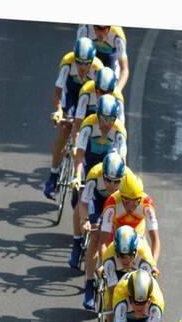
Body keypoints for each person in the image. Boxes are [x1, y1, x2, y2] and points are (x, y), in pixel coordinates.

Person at [68, 95, 127, 268]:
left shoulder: (119, 131)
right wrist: (77, 176)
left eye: (110, 119)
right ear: (97, 114)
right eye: (103, 118)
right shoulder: (88, 125)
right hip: (90, 165)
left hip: (109, 169)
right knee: (81, 199)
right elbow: (79, 155)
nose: (106, 123)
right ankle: (77, 243)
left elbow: (122, 162)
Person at [43, 37, 103, 200]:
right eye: (80, 62)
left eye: (86, 63)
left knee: (88, 133)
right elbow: (58, 91)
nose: (83, 67)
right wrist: (58, 111)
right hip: (71, 94)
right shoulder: (67, 63)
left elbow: (102, 100)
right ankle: (53, 177)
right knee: (64, 128)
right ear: (75, 58)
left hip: (89, 98)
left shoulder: (98, 69)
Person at [100, 225, 159, 322]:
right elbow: (113, 292)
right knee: (112, 299)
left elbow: (145, 286)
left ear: (135, 251)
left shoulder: (144, 257)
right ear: (116, 251)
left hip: (139, 273)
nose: (125, 260)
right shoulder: (109, 257)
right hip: (118, 273)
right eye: (121, 256)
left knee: (140, 297)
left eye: (129, 256)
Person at [79, 152, 125, 309]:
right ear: (102, 174)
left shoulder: (127, 180)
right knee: (97, 235)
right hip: (98, 203)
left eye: (116, 181)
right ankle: (90, 283)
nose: (111, 185)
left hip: (117, 205)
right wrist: (85, 220)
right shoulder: (94, 174)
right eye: (107, 180)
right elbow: (84, 204)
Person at [99, 169, 160, 265]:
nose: (131, 206)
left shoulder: (147, 204)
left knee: (145, 261)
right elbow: (103, 243)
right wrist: (103, 265)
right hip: (115, 232)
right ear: (121, 196)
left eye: (135, 201)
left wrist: (154, 265)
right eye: (127, 201)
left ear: (140, 198)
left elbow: (155, 240)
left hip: (137, 233)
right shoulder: (111, 203)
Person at [71, 66, 125, 149]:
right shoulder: (86, 91)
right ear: (95, 86)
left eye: (108, 92)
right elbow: (78, 124)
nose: (104, 95)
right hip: (87, 114)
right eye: (100, 91)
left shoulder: (118, 98)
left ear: (113, 90)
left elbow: (120, 128)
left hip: (106, 120)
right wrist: (76, 145)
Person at [76, 25, 129, 92]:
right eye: (96, 28)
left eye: (104, 30)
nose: (100, 33)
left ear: (109, 27)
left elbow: (124, 70)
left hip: (110, 58)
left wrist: (116, 92)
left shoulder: (118, 37)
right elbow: (77, 58)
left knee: (108, 85)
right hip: (92, 56)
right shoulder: (85, 30)